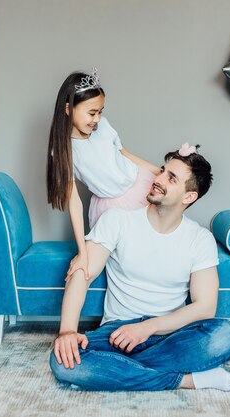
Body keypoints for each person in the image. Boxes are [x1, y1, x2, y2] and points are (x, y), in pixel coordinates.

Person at [49, 145, 230, 392]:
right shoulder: (117, 220)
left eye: (171, 178)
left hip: (168, 334)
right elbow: (82, 272)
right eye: (162, 171)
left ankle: (116, 371)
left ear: (188, 197)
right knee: (62, 362)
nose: (158, 179)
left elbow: (205, 307)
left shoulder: (199, 239)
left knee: (226, 335)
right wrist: (67, 331)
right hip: (117, 333)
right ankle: (184, 380)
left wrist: (148, 328)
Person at [47, 68, 160, 281]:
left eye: (101, 111)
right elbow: (74, 202)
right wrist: (82, 252)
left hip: (139, 185)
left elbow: (125, 154)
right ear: (69, 109)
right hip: (111, 205)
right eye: (92, 113)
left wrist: (159, 172)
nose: (97, 119)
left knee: (156, 241)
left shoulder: (104, 126)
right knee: (129, 254)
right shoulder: (64, 150)